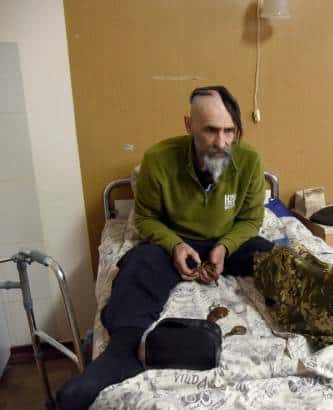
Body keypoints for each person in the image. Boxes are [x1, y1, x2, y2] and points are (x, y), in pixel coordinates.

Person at [57, 86, 273, 409]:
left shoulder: (250, 161)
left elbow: (251, 219)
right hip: (176, 238)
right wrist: (175, 246)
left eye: (230, 131)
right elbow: (145, 218)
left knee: (275, 259)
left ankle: (313, 320)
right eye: (211, 130)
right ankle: (121, 354)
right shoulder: (158, 159)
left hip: (227, 239)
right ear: (189, 125)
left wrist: (225, 248)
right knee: (137, 264)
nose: (221, 142)